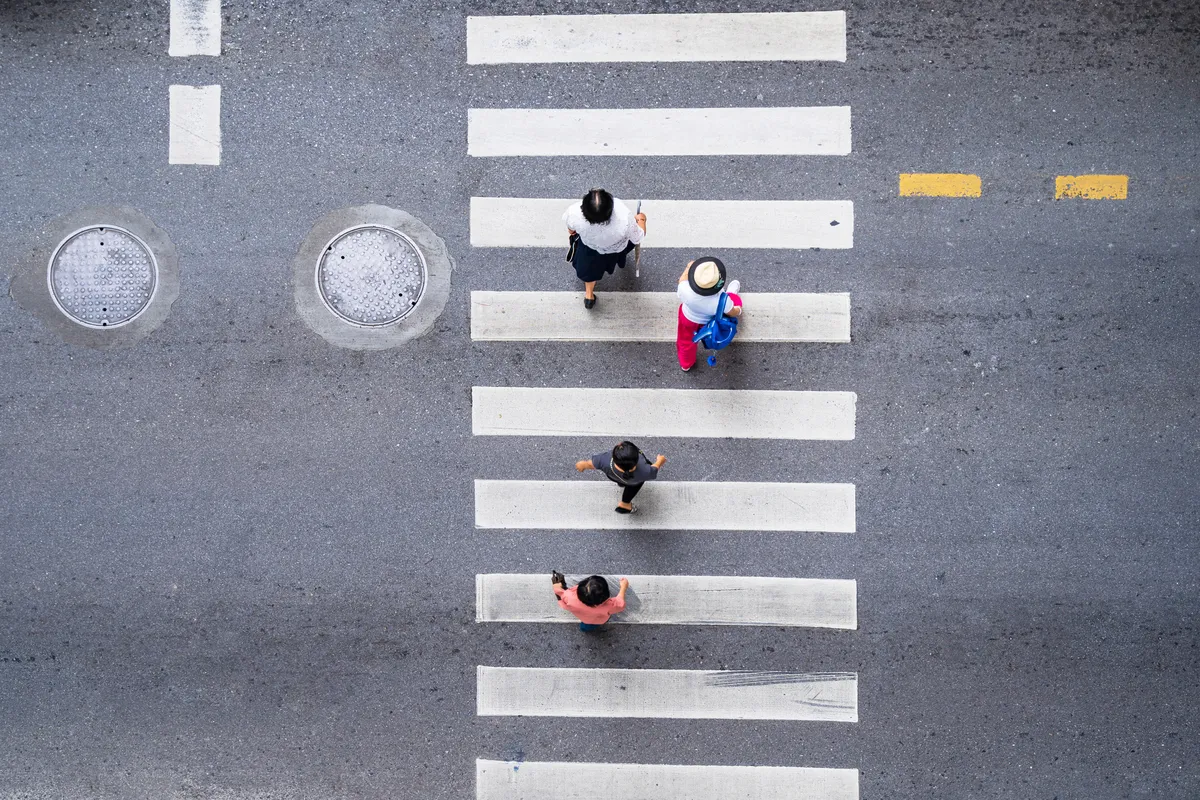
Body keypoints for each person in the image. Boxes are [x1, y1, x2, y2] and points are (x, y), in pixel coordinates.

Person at [563, 189, 647, 309]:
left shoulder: (574, 213)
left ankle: (589, 296)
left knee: (589, 273)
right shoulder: (623, 216)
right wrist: (641, 220)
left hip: (589, 250)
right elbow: (638, 236)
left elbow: (571, 230)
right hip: (614, 251)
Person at [676, 256, 742, 371]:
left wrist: (689, 267)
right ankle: (732, 292)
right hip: (709, 322)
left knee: (685, 341)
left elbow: (682, 279)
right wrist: (738, 309)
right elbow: (732, 312)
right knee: (732, 300)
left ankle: (686, 364)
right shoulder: (722, 300)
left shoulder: (684, 288)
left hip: (687, 318)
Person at [575, 440, 666, 513]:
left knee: (621, 481)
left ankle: (621, 484)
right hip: (634, 482)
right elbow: (654, 470)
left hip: (614, 476)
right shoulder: (645, 470)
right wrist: (659, 461)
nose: (619, 444)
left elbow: (591, 464)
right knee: (632, 488)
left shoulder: (604, 460)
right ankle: (624, 504)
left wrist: (583, 464)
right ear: (636, 460)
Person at [551, 572, 629, 631]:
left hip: (584, 618)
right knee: (595, 623)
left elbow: (560, 594)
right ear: (606, 595)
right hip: (599, 620)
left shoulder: (569, 597)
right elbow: (620, 604)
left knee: (586, 625)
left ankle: (584, 628)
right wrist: (623, 587)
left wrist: (558, 585)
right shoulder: (610, 606)